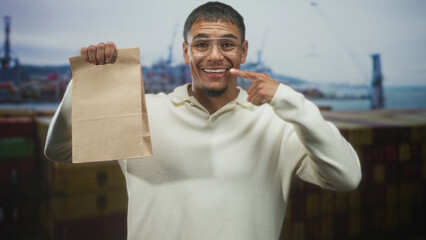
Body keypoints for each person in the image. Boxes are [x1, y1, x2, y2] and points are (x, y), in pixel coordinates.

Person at [45, 2, 361, 240]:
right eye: (201, 44)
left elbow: (347, 178)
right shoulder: (146, 115)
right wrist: (86, 82)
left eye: (227, 44)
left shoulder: (276, 125)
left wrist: (289, 100)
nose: (214, 56)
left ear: (243, 51)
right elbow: (59, 149)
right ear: (185, 52)